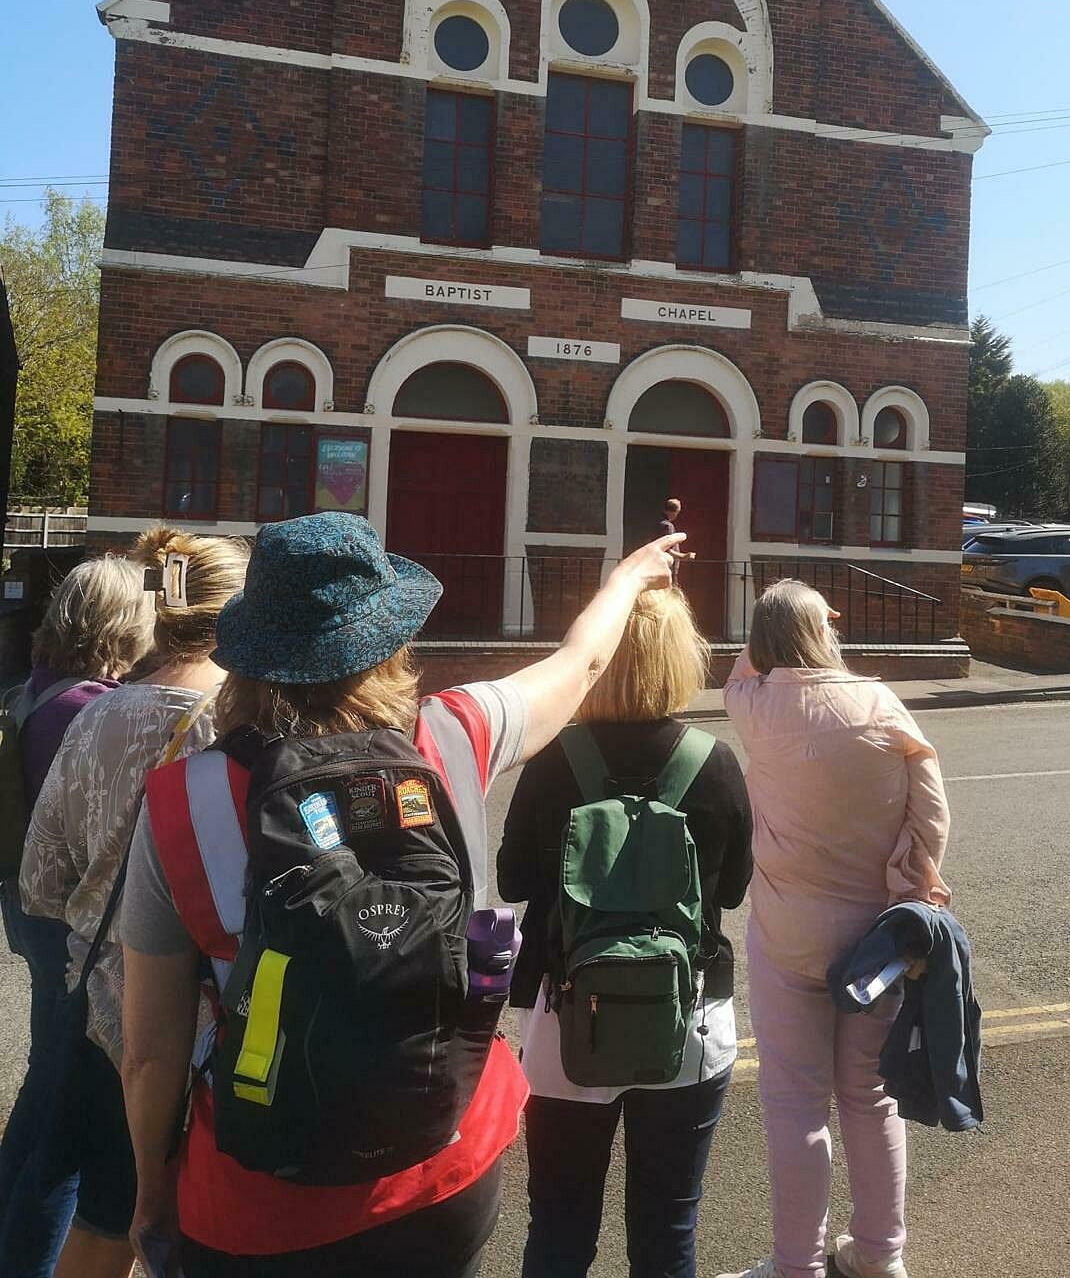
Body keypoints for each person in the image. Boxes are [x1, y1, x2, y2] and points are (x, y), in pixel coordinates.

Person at [118, 510, 684, 1278]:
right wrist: (629, 576)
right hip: (446, 1165)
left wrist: (153, 1193)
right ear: (391, 644)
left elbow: (150, 1056)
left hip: (261, 1199)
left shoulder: (183, 803)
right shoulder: (456, 734)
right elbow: (582, 663)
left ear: (252, 655)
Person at [497, 586, 752, 1278]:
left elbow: (513, 879)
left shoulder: (556, 758)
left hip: (567, 1012)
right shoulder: (713, 761)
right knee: (668, 1223)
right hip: (688, 1018)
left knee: (558, 1219)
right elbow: (731, 890)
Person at [20, 527, 249, 1278]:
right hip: (205, 1026)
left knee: (104, 1222)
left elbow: (41, 882)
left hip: (99, 1014)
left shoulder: (94, 716)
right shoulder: (244, 729)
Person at [716, 580, 950, 1278]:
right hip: (878, 935)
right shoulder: (880, 706)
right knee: (871, 1095)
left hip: (788, 933)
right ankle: (880, 1254)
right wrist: (916, 877)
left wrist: (773, 624)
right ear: (827, 629)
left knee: (794, 1101)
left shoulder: (752, 708)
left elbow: (741, 667)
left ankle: (798, 1267)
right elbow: (931, 809)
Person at [0, 557, 156, 1278]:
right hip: (71, 926)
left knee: (42, 1093)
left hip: (30, 909)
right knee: (62, 1125)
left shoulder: (38, 692)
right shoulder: (93, 710)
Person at [658, 498, 695, 585]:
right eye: (677, 512)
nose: (676, 516)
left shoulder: (658, 523)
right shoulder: (667, 526)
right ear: (673, 512)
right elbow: (667, 549)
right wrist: (683, 556)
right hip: (668, 566)